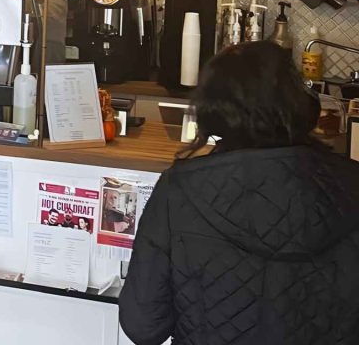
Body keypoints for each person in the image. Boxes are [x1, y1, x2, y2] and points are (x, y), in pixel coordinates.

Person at [120, 41, 359, 345]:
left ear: (211, 109)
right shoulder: (353, 183)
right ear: (299, 102)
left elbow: (143, 326)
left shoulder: (179, 190)